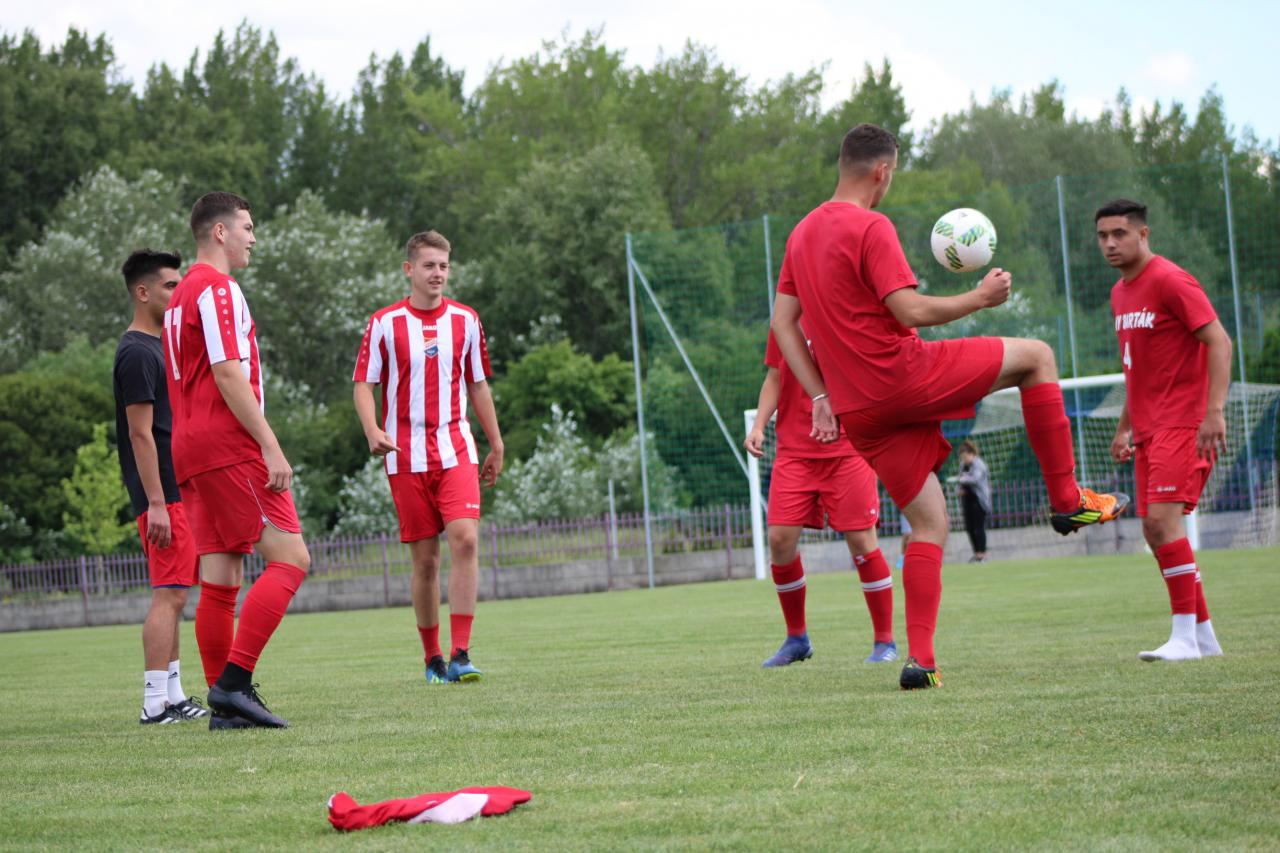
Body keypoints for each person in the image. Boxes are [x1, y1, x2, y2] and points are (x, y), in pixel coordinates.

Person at [771, 123, 1129, 690]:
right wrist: (979, 298)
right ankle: (1068, 501)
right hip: (903, 377)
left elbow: (782, 324)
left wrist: (820, 395)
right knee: (1037, 357)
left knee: (930, 522)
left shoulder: (801, 234)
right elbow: (909, 311)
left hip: (860, 413)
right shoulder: (871, 225)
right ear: (882, 172)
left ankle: (922, 662)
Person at [163, 192, 310, 729]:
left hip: (188, 447)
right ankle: (233, 684)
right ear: (220, 232)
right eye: (247, 227)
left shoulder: (178, 296)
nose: (253, 237)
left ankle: (225, 709)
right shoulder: (218, 288)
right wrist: (269, 443)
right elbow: (228, 372)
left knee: (221, 577)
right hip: (227, 444)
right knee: (291, 559)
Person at [353, 231, 504, 685]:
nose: (437, 273)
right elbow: (363, 384)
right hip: (405, 456)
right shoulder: (385, 323)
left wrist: (496, 443)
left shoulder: (466, 320)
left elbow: (478, 384)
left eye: (443, 266)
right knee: (425, 561)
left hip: (456, 448)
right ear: (409, 270)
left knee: (466, 539)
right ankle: (432, 657)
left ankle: (461, 653)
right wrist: (372, 429)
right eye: (429, 266)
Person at [1099, 198, 1230, 662]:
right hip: (1148, 428)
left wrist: (1214, 411)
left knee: (1161, 523)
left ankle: (1184, 638)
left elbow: (1219, 341)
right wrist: (1123, 427)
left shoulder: (1172, 280)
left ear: (1143, 234)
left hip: (1183, 421)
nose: (1110, 243)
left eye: (1120, 233)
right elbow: (1138, 368)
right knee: (1155, 531)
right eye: (1103, 236)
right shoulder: (1119, 293)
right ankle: (1203, 636)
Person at [745, 330, 897, 668]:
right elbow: (774, 376)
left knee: (861, 539)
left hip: (848, 447)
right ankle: (797, 638)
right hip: (794, 451)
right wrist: (758, 426)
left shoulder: (845, 309)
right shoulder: (784, 318)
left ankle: (885, 640)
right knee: (779, 540)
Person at [114, 249, 209, 725]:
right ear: (142, 292)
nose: (178, 292)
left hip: (175, 490)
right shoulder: (135, 351)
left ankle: (173, 694)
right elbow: (140, 434)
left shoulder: (159, 346)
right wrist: (155, 501)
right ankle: (154, 703)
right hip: (161, 495)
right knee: (167, 594)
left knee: (177, 595)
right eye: (170, 286)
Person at [955, 440, 991, 562]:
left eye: (965, 457)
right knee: (969, 528)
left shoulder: (979, 464)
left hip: (979, 501)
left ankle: (982, 554)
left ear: (972, 454)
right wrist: (959, 489)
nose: (964, 460)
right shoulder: (963, 465)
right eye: (962, 457)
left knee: (978, 528)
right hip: (967, 501)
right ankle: (976, 553)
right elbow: (959, 480)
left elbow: (975, 479)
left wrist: (962, 479)